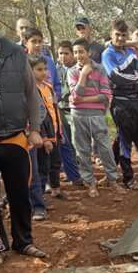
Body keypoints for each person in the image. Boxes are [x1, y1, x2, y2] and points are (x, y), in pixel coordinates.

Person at [0, 0, 46, 270]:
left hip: (16, 138)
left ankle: (23, 241)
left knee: (20, 195)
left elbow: (31, 92)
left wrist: (35, 129)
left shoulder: (15, 52)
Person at [102, 18, 138, 187]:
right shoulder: (107, 54)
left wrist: (131, 81)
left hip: (136, 101)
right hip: (120, 103)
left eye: (123, 35)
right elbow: (115, 77)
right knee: (124, 141)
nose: (120, 38)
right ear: (112, 34)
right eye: (117, 35)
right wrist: (132, 80)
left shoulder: (129, 51)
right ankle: (128, 178)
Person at [68, 38, 119, 197]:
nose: (78, 55)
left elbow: (105, 95)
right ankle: (90, 182)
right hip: (78, 115)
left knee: (105, 148)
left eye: (81, 52)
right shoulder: (72, 71)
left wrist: (82, 100)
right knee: (82, 150)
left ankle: (112, 179)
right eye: (75, 52)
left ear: (88, 52)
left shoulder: (100, 69)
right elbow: (76, 94)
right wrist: (83, 74)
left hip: (97, 115)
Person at [29, 55, 64, 200]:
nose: (43, 72)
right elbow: (37, 116)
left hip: (54, 131)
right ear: (29, 70)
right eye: (39, 69)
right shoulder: (31, 90)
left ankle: (56, 188)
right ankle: (39, 197)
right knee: (42, 167)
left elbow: (54, 109)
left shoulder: (48, 87)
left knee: (55, 162)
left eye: (45, 69)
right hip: (42, 135)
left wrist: (59, 131)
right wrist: (44, 138)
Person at [56, 40, 81, 185]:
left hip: (74, 109)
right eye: (60, 53)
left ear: (72, 54)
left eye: (66, 53)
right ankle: (71, 172)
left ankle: (79, 171)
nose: (63, 56)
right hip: (60, 110)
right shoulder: (56, 69)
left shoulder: (78, 69)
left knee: (77, 141)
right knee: (65, 142)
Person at [23, 27, 62, 100]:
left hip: (50, 102)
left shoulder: (49, 62)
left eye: (40, 41)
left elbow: (57, 84)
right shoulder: (22, 62)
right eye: (34, 41)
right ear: (25, 43)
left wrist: (55, 97)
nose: (37, 45)